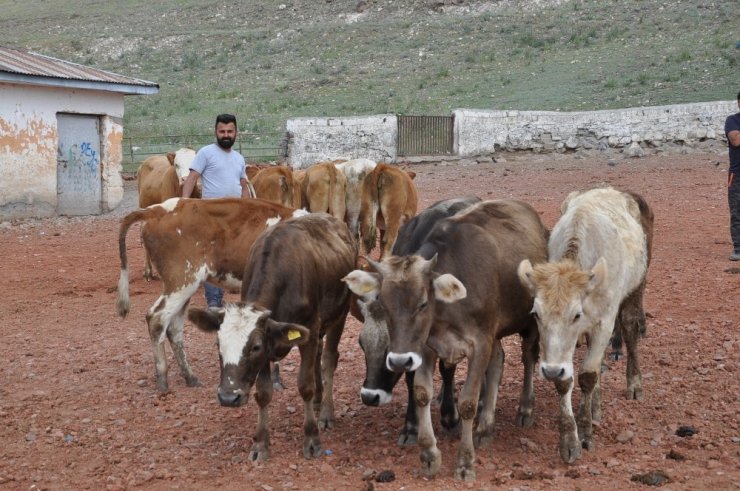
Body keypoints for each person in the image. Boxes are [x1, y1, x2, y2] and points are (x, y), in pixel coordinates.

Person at [182, 113, 253, 307]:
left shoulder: (239, 158)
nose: (226, 135)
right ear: (216, 132)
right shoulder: (206, 153)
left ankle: (231, 300)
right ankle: (213, 302)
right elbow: (192, 178)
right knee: (212, 258)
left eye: (230, 131)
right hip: (211, 215)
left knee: (231, 256)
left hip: (235, 216)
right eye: (222, 131)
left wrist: (246, 209)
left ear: (236, 133)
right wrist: (183, 203)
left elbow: (243, 184)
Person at [725, 91, 740, 261]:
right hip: (737, 175)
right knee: (737, 211)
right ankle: (738, 247)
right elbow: (736, 140)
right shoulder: (732, 120)